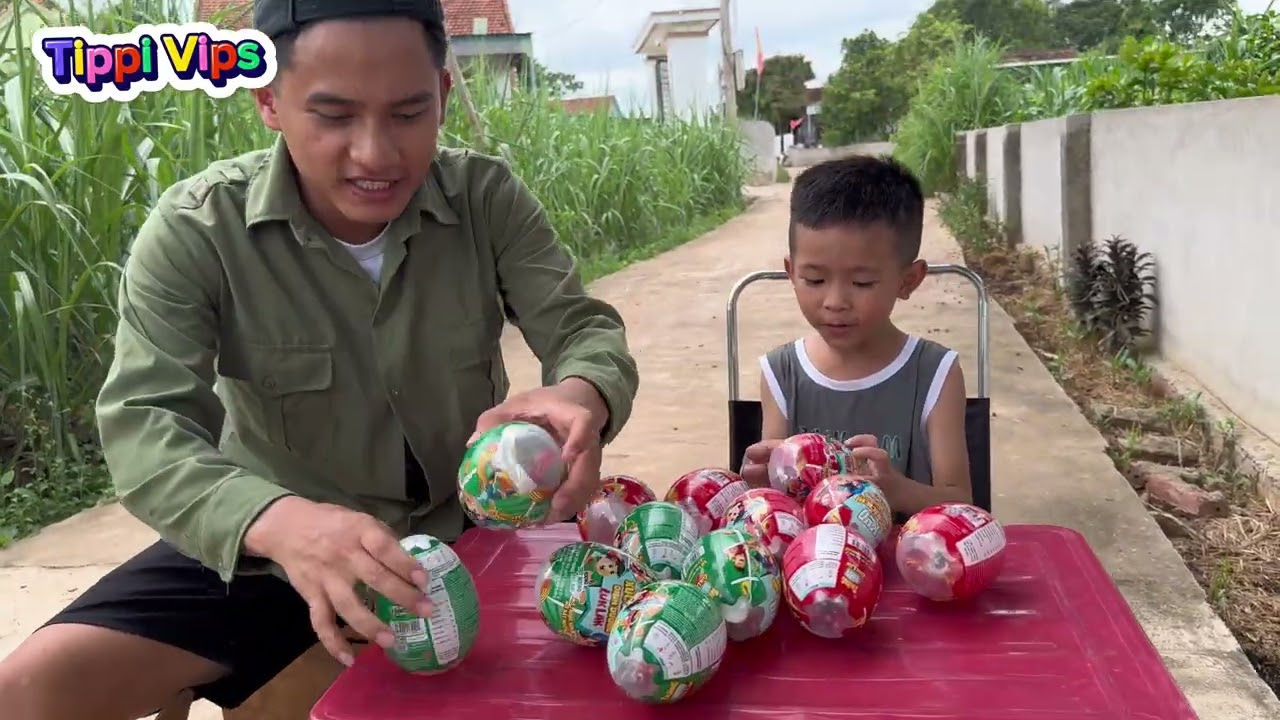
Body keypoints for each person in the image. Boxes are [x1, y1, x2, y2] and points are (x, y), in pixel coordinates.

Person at [0, 1, 639, 718]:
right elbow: (144, 428)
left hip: (469, 533)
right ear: (269, 100)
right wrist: (279, 521)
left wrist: (581, 394)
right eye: (334, 116)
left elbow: (582, 327)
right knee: (27, 692)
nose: (375, 154)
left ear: (442, 95)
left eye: (408, 113)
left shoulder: (486, 199)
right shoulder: (197, 229)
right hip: (270, 551)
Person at [738, 155, 971, 517]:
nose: (835, 302)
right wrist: (761, 485)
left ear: (908, 281)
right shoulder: (781, 373)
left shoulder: (935, 373)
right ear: (791, 272)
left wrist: (897, 490)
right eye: (814, 279)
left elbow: (962, 504)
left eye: (862, 283)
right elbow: (779, 500)